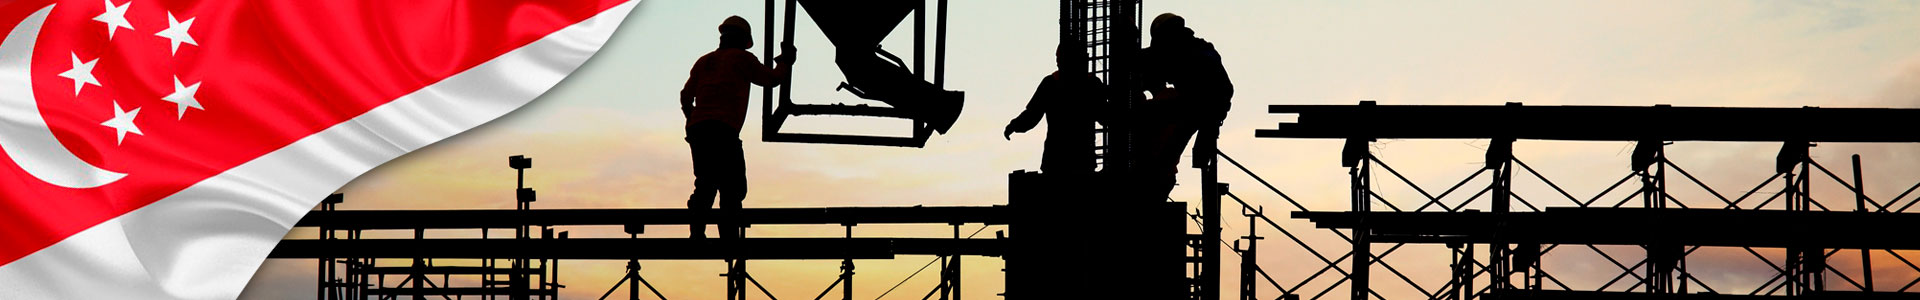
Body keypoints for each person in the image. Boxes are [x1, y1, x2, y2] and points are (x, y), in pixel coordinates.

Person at [680, 16, 795, 239]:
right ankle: (729, 239)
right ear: (743, 39)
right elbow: (771, 79)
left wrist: (691, 118)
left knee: (705, 182)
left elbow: (685, 97)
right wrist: (785, 62)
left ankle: (697, 233)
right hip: (723, 130)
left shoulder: (704, 61)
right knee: (732, 186)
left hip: (699, 131)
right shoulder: (742, 59)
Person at [1136, 13, 1233, 200]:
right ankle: (1158, 180)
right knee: (1165, 151)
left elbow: (1155, 59)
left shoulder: (1188, 54)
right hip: (1204, 107)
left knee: (1162, 150)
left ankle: (1156, 183)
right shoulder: (1193, 48)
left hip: (1200, 106)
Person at [1005, 44, 1107, 177]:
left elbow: (1032, 115)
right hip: (1081, 160)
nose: (1058, 62)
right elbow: (1105, 116)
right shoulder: (1090, 84)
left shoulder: (1051, 84)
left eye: (1060, 58)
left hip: (1056, 161)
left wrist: (1014, 125)